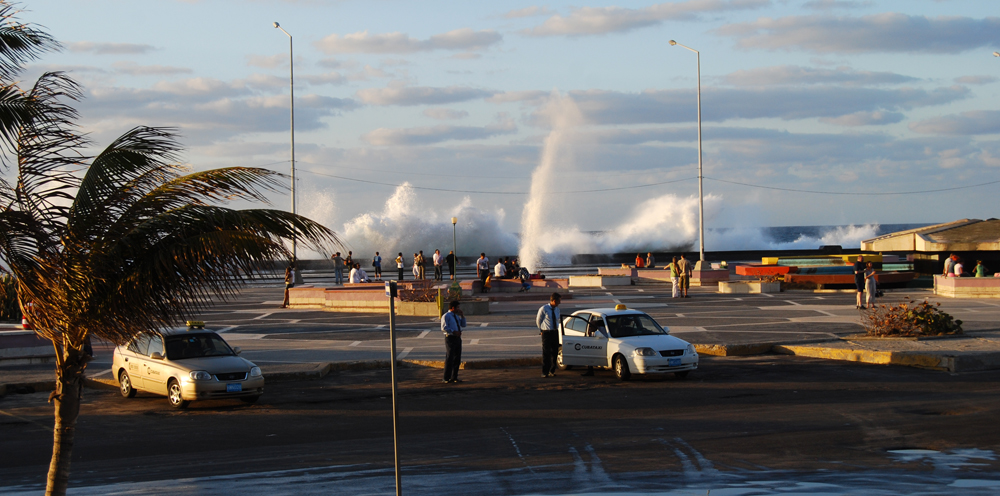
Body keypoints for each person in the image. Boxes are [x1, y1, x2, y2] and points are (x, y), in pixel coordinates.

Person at [536, 293, 562, 378]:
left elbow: (557, 320)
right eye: (558, 301)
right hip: (547, 332)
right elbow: (538, 320)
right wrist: (541, 330)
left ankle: (552, 370)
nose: (560, 302)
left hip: (555, 332)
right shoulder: (544, 309)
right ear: (554, 301)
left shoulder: (557, 310)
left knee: (555, 352)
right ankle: (545, 372)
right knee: (546, 352)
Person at [441, 300, 466, 383]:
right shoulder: (446, 316)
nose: (458, 309)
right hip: (450, 338)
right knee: (450, 357)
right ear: (453, 308)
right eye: (457, 307)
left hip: (457, 338)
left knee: (457, 358)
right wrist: (453, 331)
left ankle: (454, 376)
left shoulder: (456, 316)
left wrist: (462, 316)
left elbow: (463, 325)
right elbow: (444, 328)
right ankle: (446, 377)